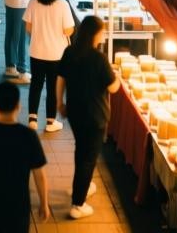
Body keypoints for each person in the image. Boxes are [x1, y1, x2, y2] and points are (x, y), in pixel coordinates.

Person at [0, 82, 51, 233]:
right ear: (18, 106)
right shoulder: (28, 136)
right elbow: (40, 175)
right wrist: (44, 203)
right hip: (19, 206)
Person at [56, 16, 119, 219]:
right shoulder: (99, 59)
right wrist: (116, 75)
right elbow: (113, 87)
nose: (103, 35)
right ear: (95, 34)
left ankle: (82, 186)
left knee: (81, 151)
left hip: (75, 111)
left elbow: (60, 79)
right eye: (102, 31)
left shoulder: (70, 52)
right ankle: (78, 203)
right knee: (88, 157)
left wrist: (59, 103)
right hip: (95, 115)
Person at [24, 0, 73, 132]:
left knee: (36, 85)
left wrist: (40, 32)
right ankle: (51, 122)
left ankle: (32, 118)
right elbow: (68, 31)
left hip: (36, 51)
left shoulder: (33, 1)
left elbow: (28, 27)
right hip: (56, 54)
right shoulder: (63, 5)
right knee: (52, 87)